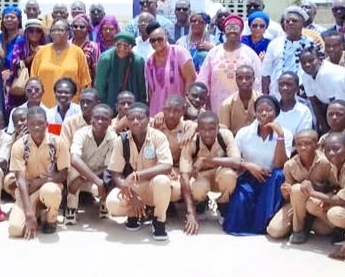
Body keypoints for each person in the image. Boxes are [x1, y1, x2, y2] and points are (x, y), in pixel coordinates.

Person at [105, 102, 176, 241]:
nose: (136, 121)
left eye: (140, 118)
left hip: (152, 186)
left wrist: (136, 175)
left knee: (162, 181)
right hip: (133, 188)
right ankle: (134, 214)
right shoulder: (122, 140)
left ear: (148, 119)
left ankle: (159, 220)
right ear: (127, 121)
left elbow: (166, 165)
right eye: (131, 119)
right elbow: (115, 173)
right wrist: (132, 197)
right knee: (112, 202)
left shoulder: (158, 137)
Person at [225, 95, 292, 235]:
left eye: (269, 110)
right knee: (236, 213)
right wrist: (248, 166)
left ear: (276, 113)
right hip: (249, 175)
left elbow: (279, 164)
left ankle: (265, 222)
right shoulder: (244, 133)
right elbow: (234, 159)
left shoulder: (285, 133)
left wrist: (280, 136)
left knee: (279, 175)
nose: (264, 113)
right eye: (260, 110)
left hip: (271, 179)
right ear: (255, 113)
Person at [7, 107, 69, 239]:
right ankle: (36, 212)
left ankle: (51, 218)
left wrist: (40, 182)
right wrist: (29, 214)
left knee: (50, 191)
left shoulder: (57, 142)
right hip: (28, 189)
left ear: (47, 124)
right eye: (32, 124)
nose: (36, 127)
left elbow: (63, 174)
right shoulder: (19, 146)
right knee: (15, 230)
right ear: (27, 125)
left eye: (40, 123)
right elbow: (20, 180)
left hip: (49, 186)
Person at [266, 129, 334, 243]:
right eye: (299, 144)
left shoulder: (326, 163)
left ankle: (304, 225)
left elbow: (336, 187)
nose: (303, 148)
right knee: (274, 230)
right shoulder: (290, 165)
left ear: (317, 146)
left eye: (307, 144)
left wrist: (322, 194)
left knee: (323, 229)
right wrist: (286, 192)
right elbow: (289, 198)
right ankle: (298, 229)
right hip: (297, 205)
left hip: (318, 203)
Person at [179, 111, 240, 234]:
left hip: (220, 173)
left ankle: (222, 205)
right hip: (201, 176)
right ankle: (202, 203)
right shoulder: (191, 141)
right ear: (198, 129)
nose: (207, 134)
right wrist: (190, 212)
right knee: (196, 187)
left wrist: (205, 160)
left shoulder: (225, 135)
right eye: (203, 129)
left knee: (229, 176)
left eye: (211, 129)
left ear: (218, 128)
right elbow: (184, 175)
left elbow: (237, 161)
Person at [197, 14, 261, 111]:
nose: (232, 30)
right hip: (217, 105)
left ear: (241, 31)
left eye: (235, 27)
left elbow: (257, 82)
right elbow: (203, 79)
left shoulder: (250, 54)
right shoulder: (214, 53)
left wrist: (257, 104)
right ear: (224, 31)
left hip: (244, 106)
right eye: (229, 27)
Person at [67, 103, 116, 223]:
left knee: (110, 174)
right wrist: (93, 180)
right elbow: (74, 159)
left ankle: (104, 204)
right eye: (96, 118)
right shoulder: (81, 134)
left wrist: (92, 180)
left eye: (104, 119)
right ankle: (71, 208)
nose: (99, 121)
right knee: (73, 170)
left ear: (110, 122)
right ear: (91, 119)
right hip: (80, 174)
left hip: (99, 175)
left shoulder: (113, 138)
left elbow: (109, 166)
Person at [31, 19, 91, 109]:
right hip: (45, 107)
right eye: (53, 30)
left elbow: (85, 83)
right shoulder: (41, 52)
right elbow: (33, 80)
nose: (56, 33)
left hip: (71, 108)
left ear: (68, 32)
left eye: (60, 30)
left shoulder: (77, 52)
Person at [262, 6, 318, 96]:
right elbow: (266, 73)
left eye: (294, 21)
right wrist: (265, 96)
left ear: (302, 23)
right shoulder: (274, 43)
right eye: (287, 21)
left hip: (303, 94)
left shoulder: (311, 43)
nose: (290, 23)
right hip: (277, 94)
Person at [145, 24, 195, 116]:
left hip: (178, 108)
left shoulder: (179, 52)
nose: (156, 43)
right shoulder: (149, 62)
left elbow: (191, 78)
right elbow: (151, 90)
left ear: (166, 38)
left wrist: (185, 104)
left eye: (159, 39)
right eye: (152, 40)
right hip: (157, 111)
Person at [298, 44, 345, 133]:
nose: (307, 65)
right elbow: (315, 103)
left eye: (311, 61)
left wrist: (333, 130)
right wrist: (324, 128)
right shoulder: (305, 76)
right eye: (303, 63)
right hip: (329, 105)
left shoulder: (326, 73)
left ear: (320, 59)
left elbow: (334, 103)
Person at [94, 33, 147, 108]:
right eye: (119, 45)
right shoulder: (106, 59)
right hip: (109, 102)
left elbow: (141, 87)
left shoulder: (138, 61)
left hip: (131, 103)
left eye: (126, 46)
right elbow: (100, 86)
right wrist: (102, 107)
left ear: (131, 47)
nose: (122, 49)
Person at [6, 18, 46, 110]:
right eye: (31, 31)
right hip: (23, 83)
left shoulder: (46, 45)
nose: (35, 34)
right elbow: (14, 62)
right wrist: (33, 56)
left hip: (40, 84)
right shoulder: (20, 44)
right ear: (26, 32)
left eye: (38, 31)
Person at [218, 64, 260, 135]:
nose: (244, 81)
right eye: (240, 78)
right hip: (234, 140)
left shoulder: (262, 101)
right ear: (236, 80)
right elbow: (224, 133)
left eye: (248, 78)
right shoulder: (227, 104)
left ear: (253, 79)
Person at [275, 72, 314, 136]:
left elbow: (302, 137)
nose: (284, 88)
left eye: (289, 85)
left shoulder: (304, 111)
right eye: (281, 84)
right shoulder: (271, 109)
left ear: (297, 88)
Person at [70, 14, 99, 81]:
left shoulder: (93, 46)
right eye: (75, 26)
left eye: (82, 27)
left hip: (85, 82)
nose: (78, 29)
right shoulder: (67, 44)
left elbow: (95, 68)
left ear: (88, 29)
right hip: (67, 82)